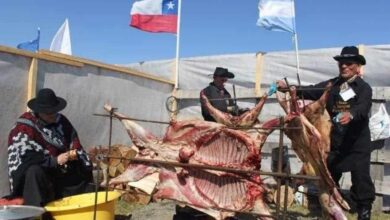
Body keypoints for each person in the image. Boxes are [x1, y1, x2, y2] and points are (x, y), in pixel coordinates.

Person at [277, 46, 375, 220]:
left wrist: (351, 114)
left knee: (361, 179)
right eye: (341, 64)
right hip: (336, 143)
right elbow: (310, 90)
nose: (344, 67)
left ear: (358, 66)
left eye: (348, 63)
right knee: (328, 175)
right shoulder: (332, 86)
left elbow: (363, 107)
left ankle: (364, 210)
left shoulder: (363, 88)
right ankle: (330, 207)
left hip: (357, 144)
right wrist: (289, 88)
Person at [7, 88, 93, 208]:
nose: (53, 115)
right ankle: (36, 213)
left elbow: (75, 143)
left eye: (54, 111)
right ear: (39, 111)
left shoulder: (61, 121)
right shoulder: (23, 127)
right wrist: (55, 161)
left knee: (82, 169)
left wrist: (74, 155)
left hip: (60, 171)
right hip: (37, 173)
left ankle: (79, 208)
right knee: (34, 172)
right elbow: (27, 159)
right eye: (48, 113)